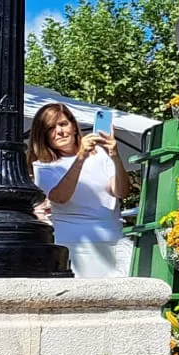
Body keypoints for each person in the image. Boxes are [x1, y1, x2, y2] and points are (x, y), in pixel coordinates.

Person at [28, 103, 133, 278]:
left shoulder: (101, 154)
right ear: (43, 136)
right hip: (74, 243)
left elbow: (122, 192)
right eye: (51, 128)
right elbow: (60, 197)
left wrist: (115, 156)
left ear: (73, 126)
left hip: (112, 238)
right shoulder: (43, 165)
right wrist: (81, 157)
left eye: (63, 124)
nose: (60, 131)